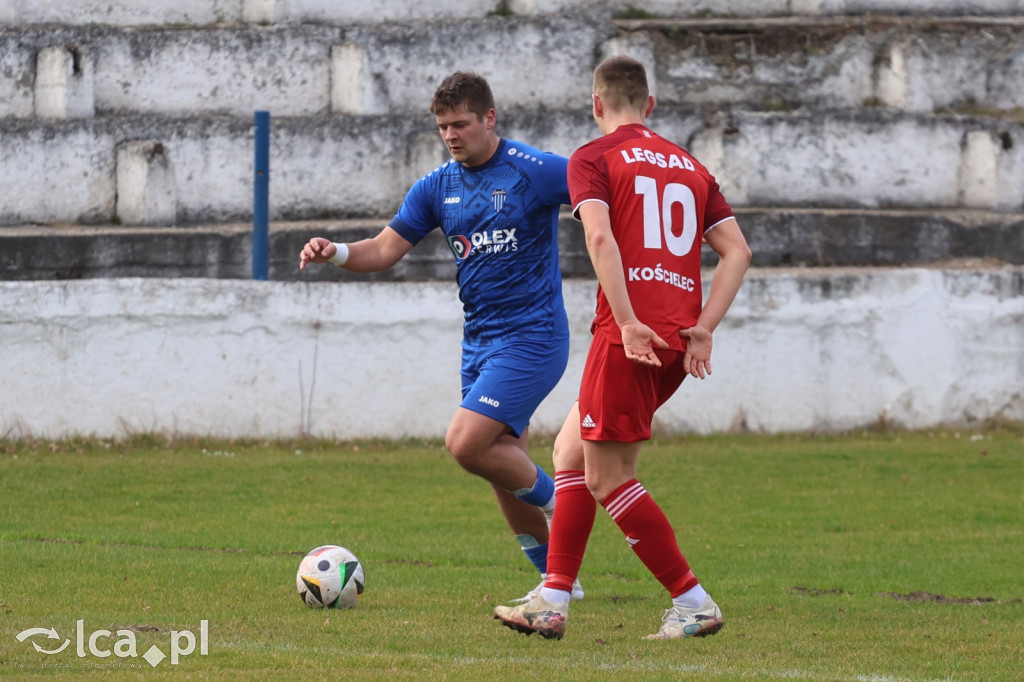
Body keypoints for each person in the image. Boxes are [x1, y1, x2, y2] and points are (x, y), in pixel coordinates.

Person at [493, 55, 751, 640]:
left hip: (628, 337)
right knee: (569, 454)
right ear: (650, 105)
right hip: (678, 339)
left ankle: (693, 601)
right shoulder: (691, 166)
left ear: (596, 104)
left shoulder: (594, 156)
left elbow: (600, 236)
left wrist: (629, 321)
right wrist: (705, 326)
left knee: (609, 478)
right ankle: (553, 598)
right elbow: (738, 252)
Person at [299, 71, 583, 603]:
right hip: (479, 342)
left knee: (466, 443)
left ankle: (565, 505)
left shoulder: (535, 171)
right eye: (443, 127)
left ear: (489, 119)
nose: (451, 135)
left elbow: (601, 188)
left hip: (534, 336)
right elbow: (383, 250)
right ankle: (556, 581)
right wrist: (334, 250)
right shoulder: (437, 186)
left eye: (461, 124)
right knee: (501, 461)